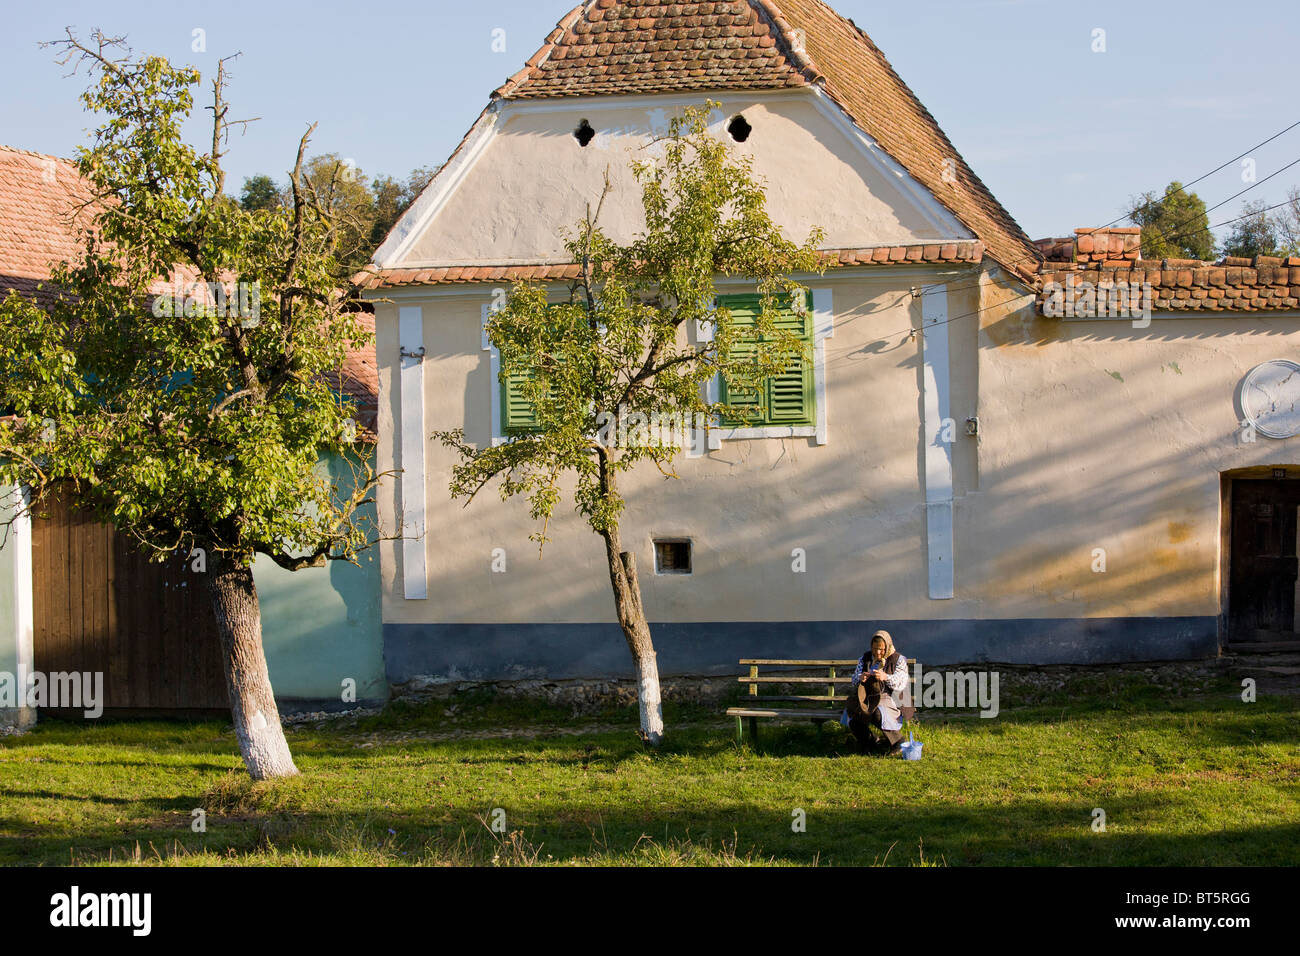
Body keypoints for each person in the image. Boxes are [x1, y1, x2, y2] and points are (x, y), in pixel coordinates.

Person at [841, 629, 912, 755]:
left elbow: (901, 683)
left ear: (887, 646)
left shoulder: (898, 659)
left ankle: (898, 741)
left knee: (878, 712)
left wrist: (886, 677)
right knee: (853, 712)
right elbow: (854, 679)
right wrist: (860, 677)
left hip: (891, 697)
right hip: (867, 696)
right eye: (874, 649)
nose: (877, 653)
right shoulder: (865, 658)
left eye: (881, 649)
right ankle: (869, 741)